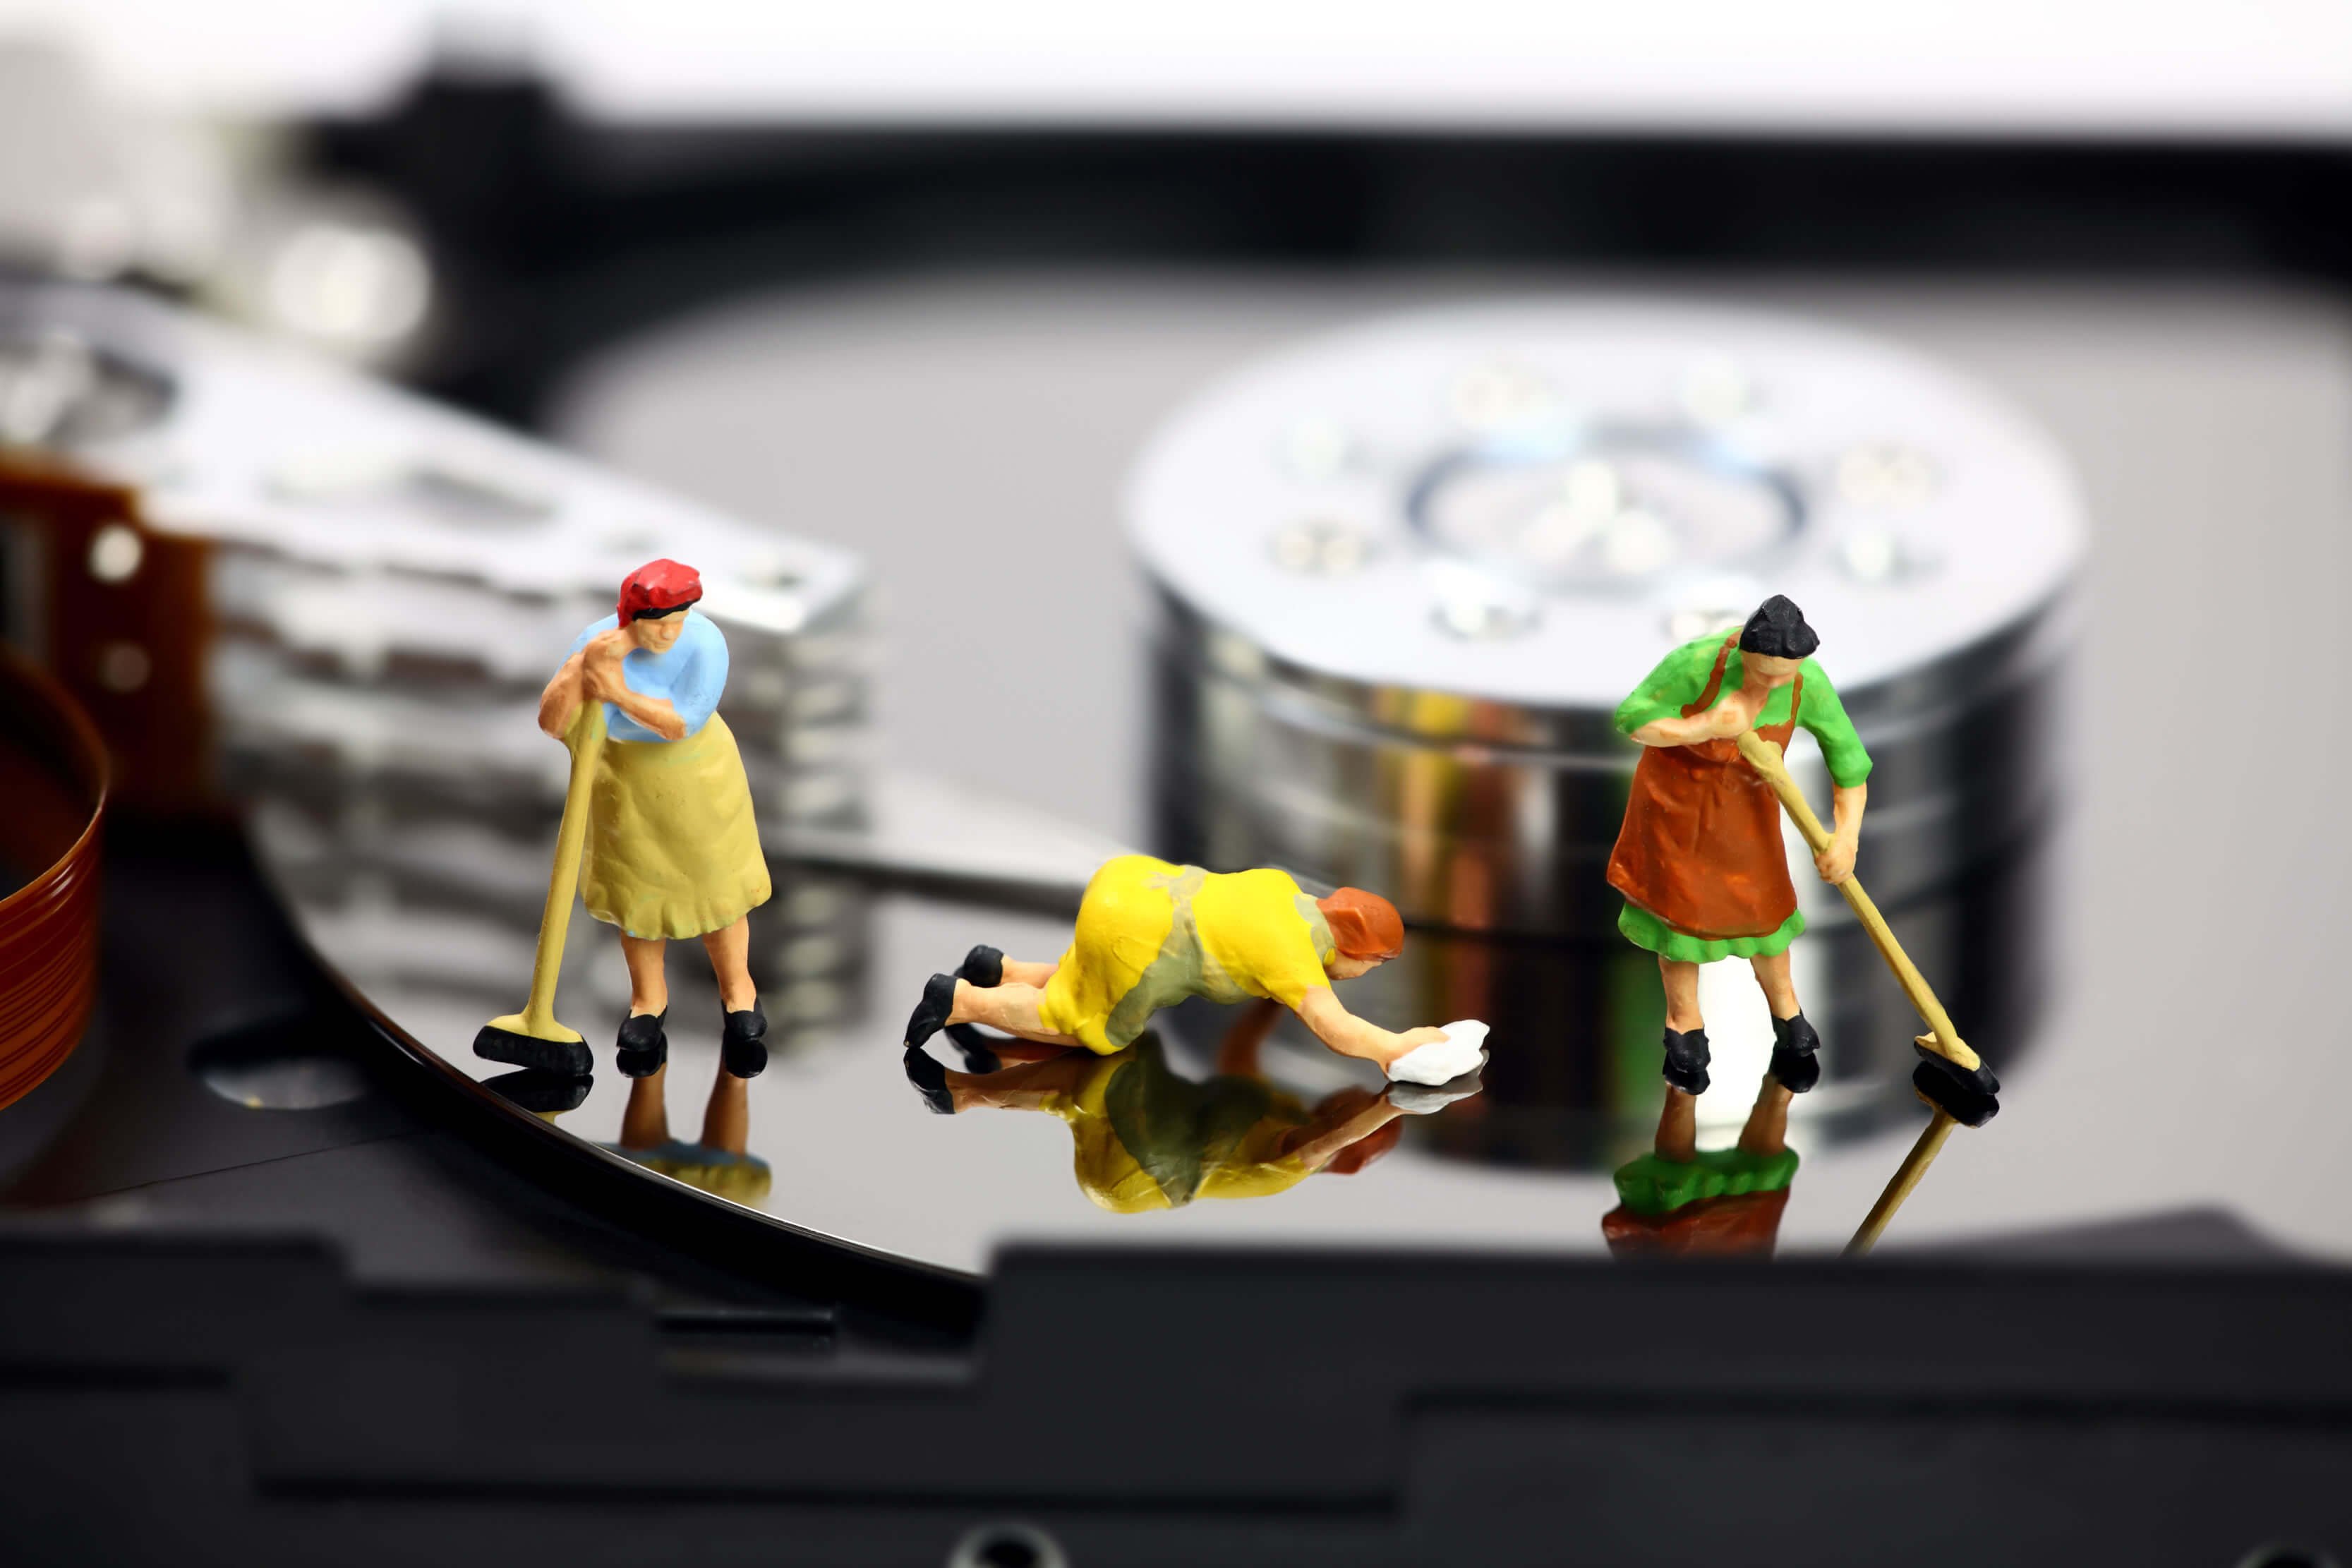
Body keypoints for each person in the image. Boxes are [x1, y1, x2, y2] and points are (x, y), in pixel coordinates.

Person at [1605, 595, 1872, 1162]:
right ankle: (1684, 1026)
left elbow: (1848, 762)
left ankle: (1789, 1017)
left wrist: (1845, 838)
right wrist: (1702, 726)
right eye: (1760, 673)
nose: (1771, 685)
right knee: (1678, 921)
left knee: (1766, 914)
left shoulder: (1808, 684)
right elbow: (1632, 720)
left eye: (1782, 676)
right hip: (1675, 811)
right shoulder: (1695, 663)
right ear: (1743, 654)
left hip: (1746, 816)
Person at [901, 855, 1485, 1085]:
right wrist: (1395, 1048)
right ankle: (962, 1001)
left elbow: (1240, 1048)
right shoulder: (1291, 956)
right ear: (1357, 950)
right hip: (1141, 934)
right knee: (1089, 1027)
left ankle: (1001, 970)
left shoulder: (1281, 887)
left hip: (1133, 882)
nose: (1363, 975)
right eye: (1372, 966)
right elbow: (1337, 1030)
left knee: (1086, 972)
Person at [530, 559, 772, 1080]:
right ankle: (647, 1000)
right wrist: (578, 671)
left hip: (699, 779)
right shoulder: (595, 642)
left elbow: (681, 723)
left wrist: (615, 691)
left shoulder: (705, 643)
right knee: (637, 899)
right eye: (656, 624)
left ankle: (739, 992)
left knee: (717, 892)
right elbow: (552, 722)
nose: (668, 634)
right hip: (625, 787)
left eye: (677, 621)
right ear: (630, 618)